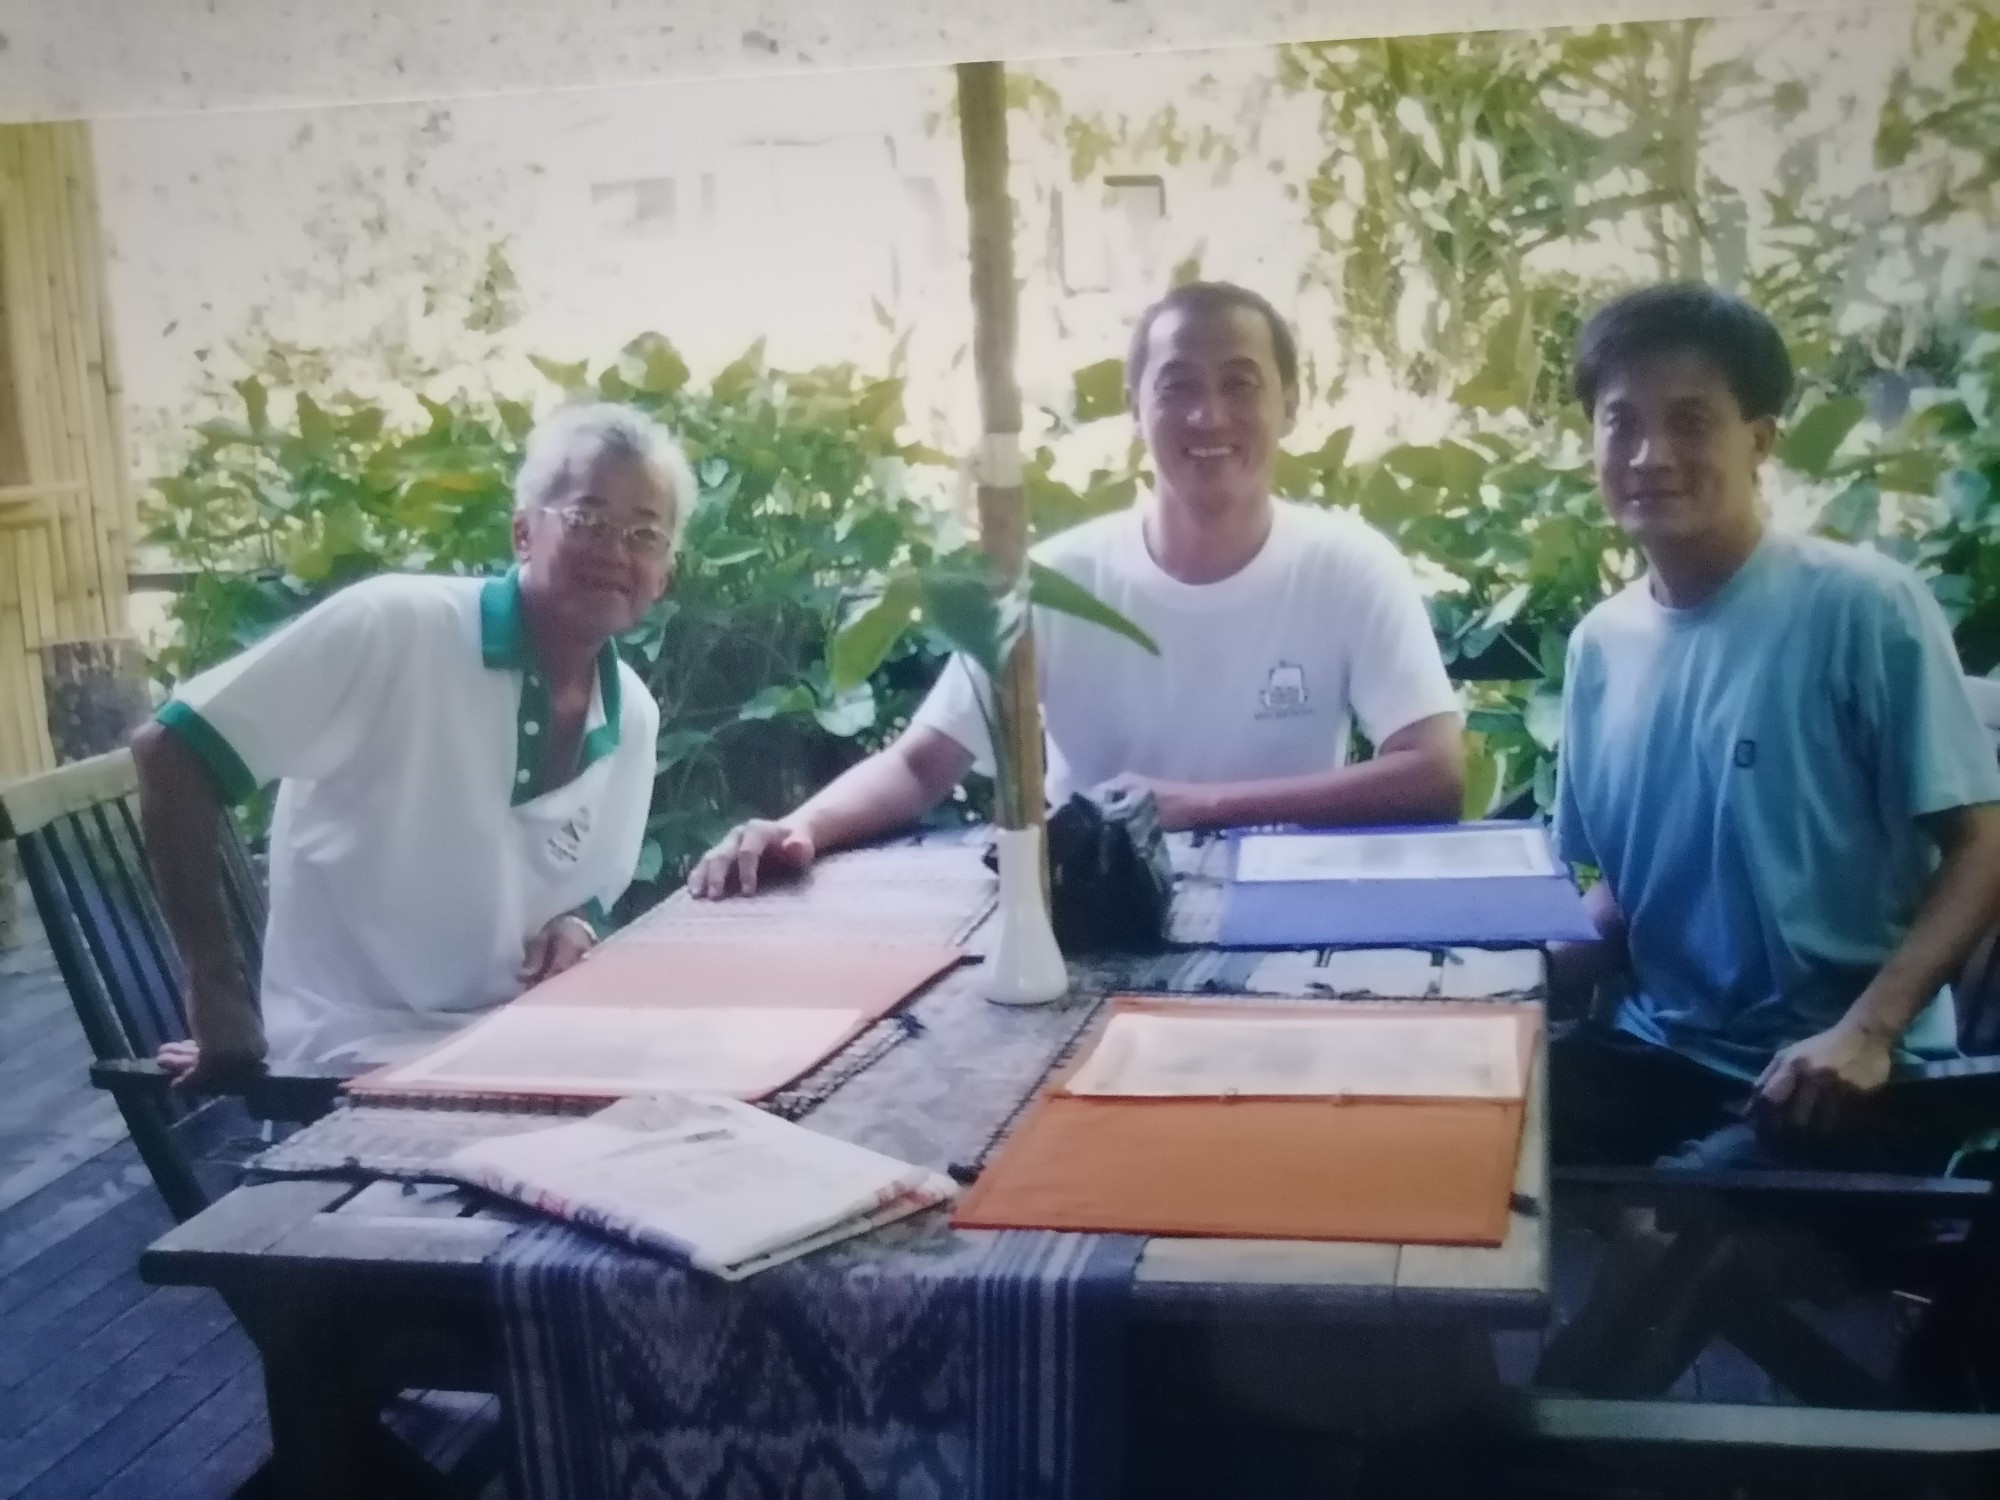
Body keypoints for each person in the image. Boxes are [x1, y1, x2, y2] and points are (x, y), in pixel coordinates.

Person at [690, 281, 1464, 898]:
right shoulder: (1057, 581)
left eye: (1241, 385)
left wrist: (1198, 808)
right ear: (1134, 409)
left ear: (1289, 404)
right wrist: (796, 828)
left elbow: (1435, 774)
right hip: (1091, 911)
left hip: (1286, 913)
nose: (1209, 414)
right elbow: (924, 763)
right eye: (1177, 387)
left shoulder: (1348, 565)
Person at [1550, 284, 2000, 1170]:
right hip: (1658, 1050)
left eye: (1689, 421)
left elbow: (1983, 846)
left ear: (1759, 440)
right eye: (1620, 422)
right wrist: (1485, 974)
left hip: (1849, 1075)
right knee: (1455, 1124)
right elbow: (1617, 901)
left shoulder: (1864, 608)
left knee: (1671, 1220)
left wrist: (1869, 1031)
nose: (1649, 455)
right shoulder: (1600, 646)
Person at [133, 402, 686, 1087]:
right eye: (587, 521)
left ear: (664, 574)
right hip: (357, 1048)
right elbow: (173, 752)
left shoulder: (630, 711)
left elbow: (592, 888)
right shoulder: (395, 626)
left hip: (522, 1044)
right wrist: (215, 998)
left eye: (644, 534)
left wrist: (575, 926)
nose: (614, 552)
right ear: (523, 532)